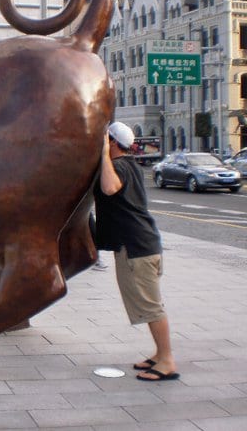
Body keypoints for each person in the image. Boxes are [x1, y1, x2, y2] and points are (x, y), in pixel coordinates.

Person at [94, 122, 179, 382]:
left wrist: (102, 152)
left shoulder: (118, 166)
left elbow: (109, 187)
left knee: (152, 307)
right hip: (143, 244)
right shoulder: (131, 165)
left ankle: (166, 361)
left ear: (112, 143)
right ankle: (158, 354)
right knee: (151, 304)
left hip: (137, 248)